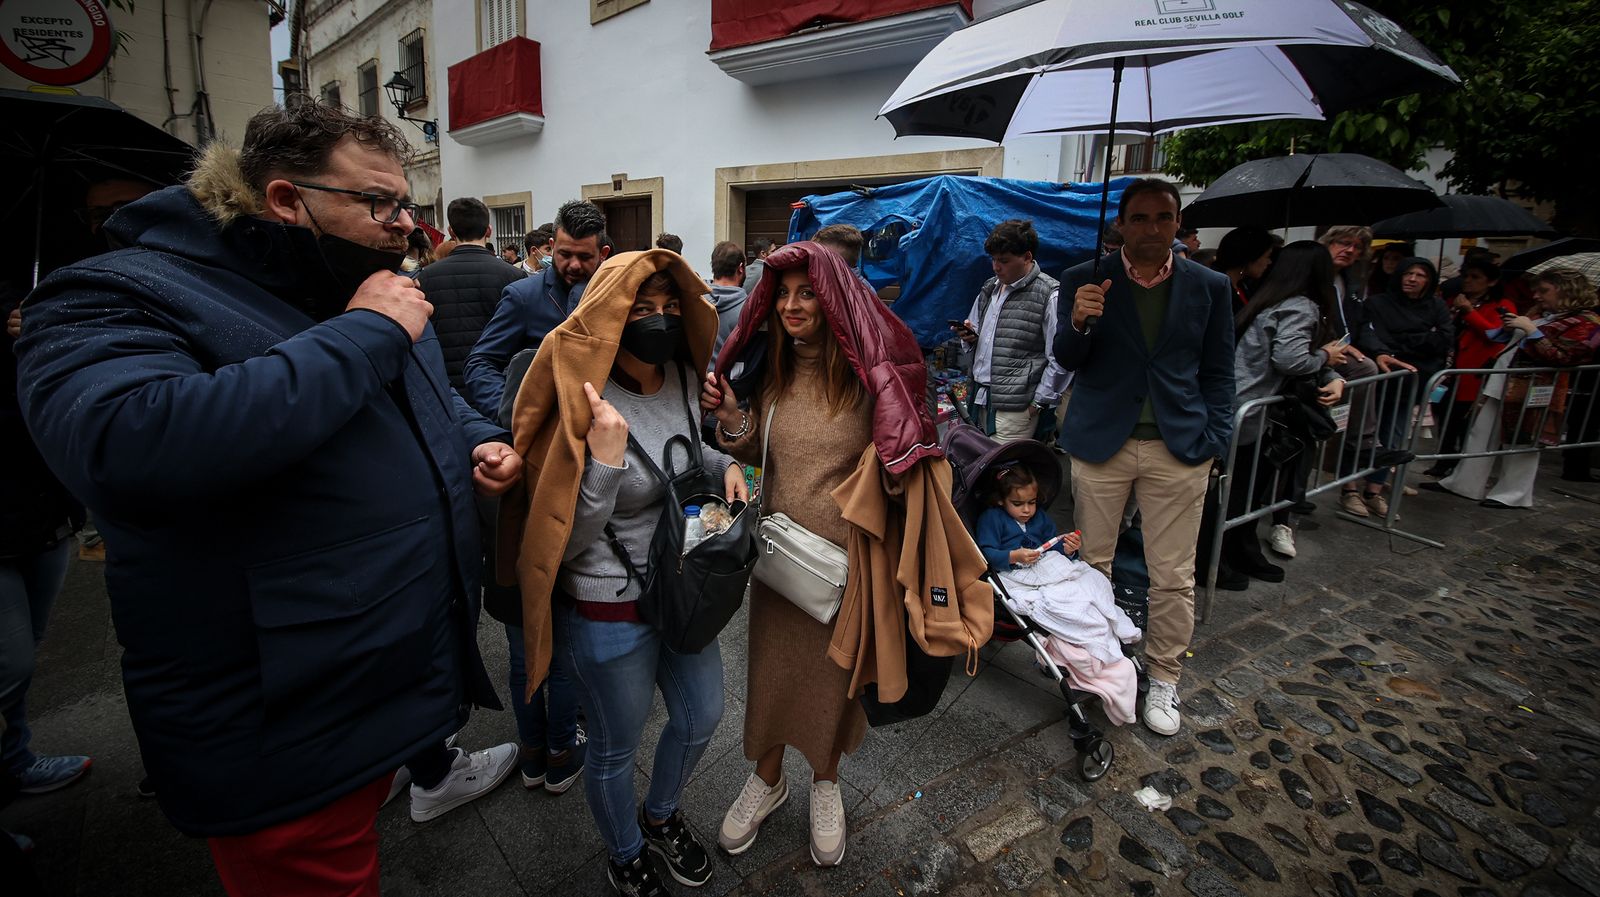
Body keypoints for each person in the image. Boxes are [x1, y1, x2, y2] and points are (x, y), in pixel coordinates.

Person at [14, 99, 522, 895]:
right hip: (280, 715)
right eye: (380, 203)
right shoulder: (119, 293)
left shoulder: (368, 286)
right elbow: (127, 442)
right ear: (288, 199)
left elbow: (431, 400)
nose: (406, 227)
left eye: (409, 205)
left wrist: (473, 441)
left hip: (381, 674)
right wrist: (363, 335)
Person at [702, 242, 975, 868]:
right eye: (785, 295)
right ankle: (767, 779)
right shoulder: (769, 366)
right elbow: (749, 450)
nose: (794, 306)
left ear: (832, 300)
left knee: (835, 683)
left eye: (808, 293)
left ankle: (825, 781)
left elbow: (908, 458)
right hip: (778, 562)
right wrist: (733, 415)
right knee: (769, 675)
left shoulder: (867, 379)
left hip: (849, 565)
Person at [501, 250, 741, 896]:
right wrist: (602, 463)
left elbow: (692, 452)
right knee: (614, 744)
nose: (659, 322)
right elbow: (562, 543)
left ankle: (660, 816)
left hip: (681, 584)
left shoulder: (686, 378)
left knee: (702, 717)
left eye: (670, 309)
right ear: (611, 316)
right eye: (642, 311)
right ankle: (625, 850)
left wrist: (726, 464)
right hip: (607, 607)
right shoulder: (580, 397)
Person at [1051, 178, 1235, 737]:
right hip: (1102, 443)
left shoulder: (1210, 285)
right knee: (1092, 569)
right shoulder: (1084, 279)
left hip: (1179, 447)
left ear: (1178, 223)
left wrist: (1215, 441)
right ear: (1121, 225)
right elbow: (1067, 358)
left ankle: (1165, 677)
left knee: (1173, 576)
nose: (1152, 229)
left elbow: (1219, 371)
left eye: (1163, 217)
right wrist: (1081, 321)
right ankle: (1097, 670)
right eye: (1140, 218)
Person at [1215, 241, 1347, 576]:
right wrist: (1325, 358)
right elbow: (1290, 359)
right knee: (1237, 494)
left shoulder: (1269, 300)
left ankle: (1237, 553)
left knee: (1244, 494)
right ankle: (1221, 560)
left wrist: (1330, 372)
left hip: (1246, 409)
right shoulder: (1299, 306)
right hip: (1247, 411)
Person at [3, 298, 91, 799]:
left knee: (24, 652)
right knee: (8, 666)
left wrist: (42, 338)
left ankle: (13, 761)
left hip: (43, 511)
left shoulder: (40, 308)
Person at [975, 466, 1140, 723]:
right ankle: (1090, 644)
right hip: (1016, 573)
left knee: (1092, 582)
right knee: (1064, 604)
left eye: (1031, 502)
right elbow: (986, 553)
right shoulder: (992, 519)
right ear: (1000, 500)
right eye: (1018, 504)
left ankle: (1105, 631)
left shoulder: (1039, 518)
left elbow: (1056, 546)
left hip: (1050, 567)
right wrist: (1011, 556)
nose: (1027, 510)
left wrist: (1069, 548)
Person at [1433, 270, 1600, 508]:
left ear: (1566, 290)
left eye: (1544, 291)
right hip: (1506, 380)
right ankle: (1463, 483)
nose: (1537, 296)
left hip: (1535, 387)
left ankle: (1514, 494)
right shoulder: (1547, 314)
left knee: (1523, 443)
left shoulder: (1587, 322)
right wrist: (1517, 325)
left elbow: (1564, 356)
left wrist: (1532, 331)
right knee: (1481, 433)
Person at [464, 199, 611, 418]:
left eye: (584, 256)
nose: (574, 265)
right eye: (565, 254)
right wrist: (513, 416)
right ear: (552, 247)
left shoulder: (613, 295)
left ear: (603, 253)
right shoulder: (522, 296)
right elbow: (480, 363)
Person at [953, 219, 1068, 441]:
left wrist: (1039, 402)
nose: (996, 266)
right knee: (979, 467)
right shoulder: (990, 288)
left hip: (1016, 407)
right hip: (979, 396)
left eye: (1004, 261)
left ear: (1027, 257)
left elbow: (1059, 358)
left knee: (1007, 472)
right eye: (993, 259)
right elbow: (979, 338)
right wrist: (969, 338)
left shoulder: (1048, 293)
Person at [1363, 257, 1451, 510]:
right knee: (1366, 434)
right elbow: (1379, 338)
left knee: (1395, 435)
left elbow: (1444, 339)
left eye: (1420, 275)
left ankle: (1374, 490)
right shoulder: (1378, 303)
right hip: (1381, 380)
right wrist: (1422, 338)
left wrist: (1405, 341)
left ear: (1429, 281)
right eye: (1408, 273)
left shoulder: (1437, 306)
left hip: (1412, 382)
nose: (1412, 279)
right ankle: (1351, 487)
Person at [417, 197, 528, 387]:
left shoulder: (426, 277)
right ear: (489, 231)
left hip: (447, 385)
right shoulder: (515, 276)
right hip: (497, 384)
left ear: (451, 231)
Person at [1425, 259, 1517, 477]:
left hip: (1475, 371)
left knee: (1465, 419)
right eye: (1466, 276)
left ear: (1491, 281)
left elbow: (1494, 333)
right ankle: (1443, 460)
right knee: (1445, 416)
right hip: (1449, 368)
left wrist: (1469, 312)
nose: (1468, 281)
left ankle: (1461, 468)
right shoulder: (1454, 300)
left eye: (1476, 277)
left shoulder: (1501, 305)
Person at [1210, 226, 1275, 311]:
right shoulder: (1216, 288)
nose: (1269, 262)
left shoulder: (1243, 285)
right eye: (1267, 256)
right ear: (1251, 256)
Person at [707, 240, 748, 358]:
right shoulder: (748, 310)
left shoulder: (694, 301)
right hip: (727, 376)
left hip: (696, 376)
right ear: (740, 268)